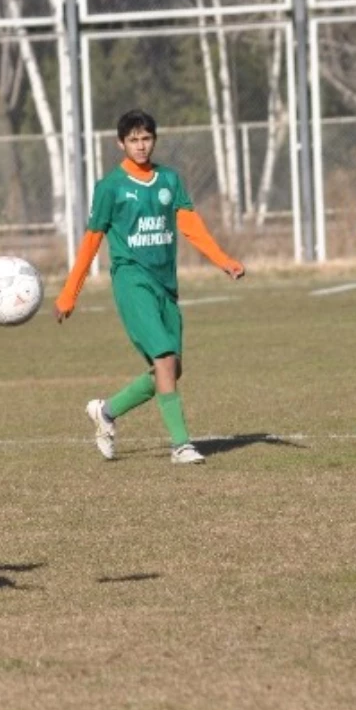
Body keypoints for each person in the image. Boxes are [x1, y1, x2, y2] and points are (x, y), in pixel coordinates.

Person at [54, 109, 245, 465]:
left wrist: (223, 260)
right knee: (163, 358)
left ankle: (106, 412)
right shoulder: (110, 187)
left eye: (146, 139)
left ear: (154, 140)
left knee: (171, 368)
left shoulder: (169, 180)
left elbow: (191, 226)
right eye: (134, 140)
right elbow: (92, 240)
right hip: (131, 281)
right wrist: (70, 293)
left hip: (165, 283)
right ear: (121, 144)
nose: (141, 146)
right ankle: (181, 445)